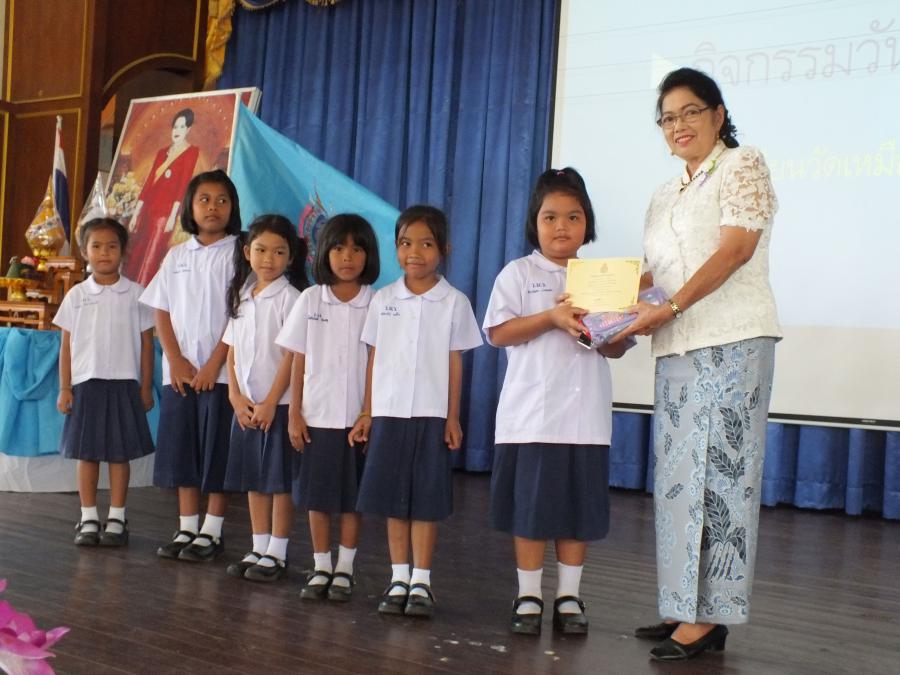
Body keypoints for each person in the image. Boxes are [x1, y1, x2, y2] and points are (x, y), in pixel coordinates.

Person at [611, 67, 781, 661]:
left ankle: (711, 616)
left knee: (723, 480)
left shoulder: (741, 165)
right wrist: (600, 304)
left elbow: (735, 250)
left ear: (717, 114)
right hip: (676, 346)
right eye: (667, 117)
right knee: (680, 480)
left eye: (690, 112)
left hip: (733, 340)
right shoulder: (665, 193)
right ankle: (682, 604)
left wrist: (672, 305)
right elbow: (657, 275)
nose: (678, 125)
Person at [483, 168, 629, 636]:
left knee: (577, 510)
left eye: (573, 216)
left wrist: (610, 329)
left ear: (588, 223)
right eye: (550, 217)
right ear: (535, 222)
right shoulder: (518, 273)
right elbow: (498, 332)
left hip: (585, 417)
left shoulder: (603, 279)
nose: (561, 226)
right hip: (531, 416)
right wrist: (552, 317)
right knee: (530, 509)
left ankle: (569, 595)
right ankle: (528, 594)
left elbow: (615, 348)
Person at [349, 205, 482, 618]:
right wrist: (368, 412)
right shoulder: (383, 299)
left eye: (426, 244)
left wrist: (452, 417)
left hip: (431, 413)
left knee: (425, 498)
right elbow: (374, 358)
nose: (415, 253)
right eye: (406, 243)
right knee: (394, 500)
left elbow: (455, 362)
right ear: (396, 247)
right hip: (389, 413)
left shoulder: (454, 302)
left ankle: (421, 580)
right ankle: (398, 577)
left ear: (444, 249)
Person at [276, 214, 380, 601]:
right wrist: (294, 413)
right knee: (317, 497)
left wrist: (368, 413)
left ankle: (345, 569)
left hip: (357, 420)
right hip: (315, 416)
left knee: (352, 499)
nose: (347, 257)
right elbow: (297, 357)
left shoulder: (377, 302)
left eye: (356, 248)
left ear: (369, 255)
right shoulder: (310, 299)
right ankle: (321, 566)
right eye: (338, 248)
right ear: (323, 253)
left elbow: (377, 362)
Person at [140, 169, 242, 563]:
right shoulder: (177, 255)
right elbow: (161, 310)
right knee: (183, 450)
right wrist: (176, 360)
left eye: (222, 200)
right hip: (180, 374)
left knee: (217, 451)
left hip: (223, 373)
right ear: (190, 207)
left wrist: (214, 364)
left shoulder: (241, 253)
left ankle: (212, 530)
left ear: (233, 207)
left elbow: (242, 315)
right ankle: (186, 526)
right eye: (204, 199)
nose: (213, 207)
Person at [55, 217, 155, 547]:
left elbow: (147, 345)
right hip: (86, 385)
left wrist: (145, 387)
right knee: (87, 454)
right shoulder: (76, 295)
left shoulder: (137, 294)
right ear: (85, 252)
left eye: (112, 246)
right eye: (96, 246)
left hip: (125, 384)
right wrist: (65, 387)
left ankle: (117, 517)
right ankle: (88, 517)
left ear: (123, 252)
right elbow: (66, 346)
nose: (104, 252)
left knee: (119, 454)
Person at [221, 214, 309, 582]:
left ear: (291, 257)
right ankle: (258, 546)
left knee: (278, 482)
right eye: (260, 250)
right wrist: (234, 395)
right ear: (247, 252)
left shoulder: (292, 298)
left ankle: (277, 551)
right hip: (246, 405)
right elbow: (231, 350)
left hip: (279, 405)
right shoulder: (242, 295)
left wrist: (273, 401)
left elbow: (292, 355)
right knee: (254, 479)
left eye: (278, 252)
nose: (268, 259)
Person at [125, 108, 201, 286]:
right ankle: (132, 291)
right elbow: (148, 184)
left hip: (165, 214)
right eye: (175, 126)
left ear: (188, 129)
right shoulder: (162, 153)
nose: (177, 131)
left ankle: (145, 292)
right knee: (138, 253)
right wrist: (136, 214)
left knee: (152, 256)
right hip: (147, 211)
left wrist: (173, 216)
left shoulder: (191, 152)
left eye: (182, 127)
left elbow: (183, 186)